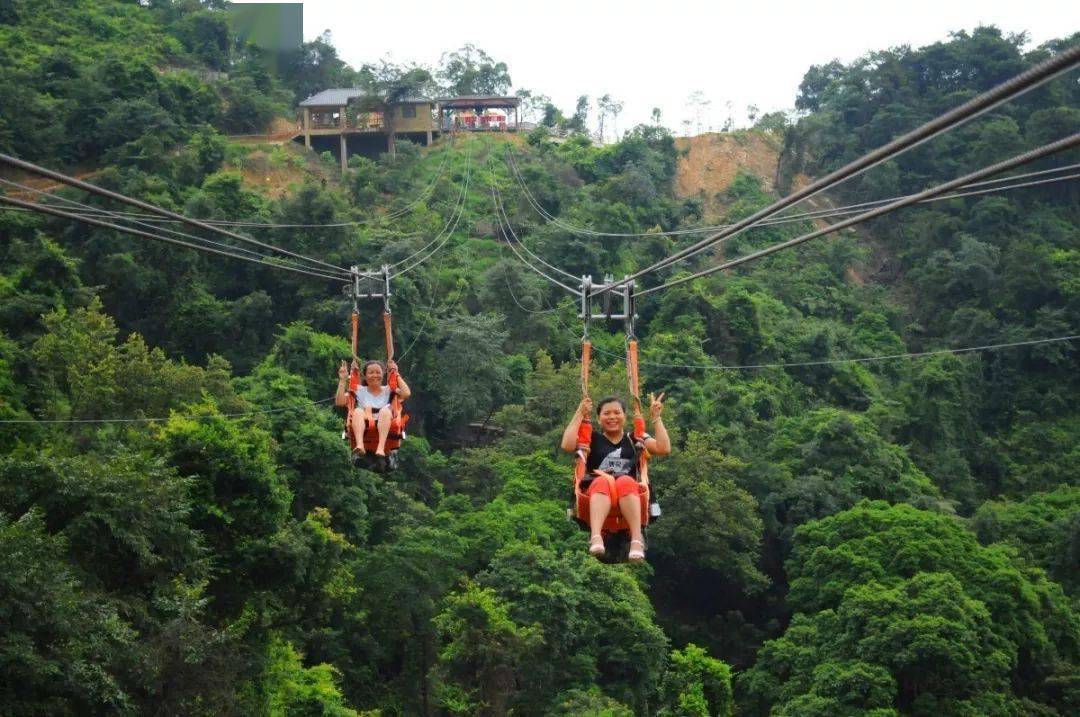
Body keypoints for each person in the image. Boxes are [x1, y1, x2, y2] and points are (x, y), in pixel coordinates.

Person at [560, 393, 671, 562]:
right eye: (606, 413)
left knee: (626, 481)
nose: (612, 417)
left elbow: (663, 448)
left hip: (628, 492)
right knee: (603, 480)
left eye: (617, 413)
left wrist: (656, 418)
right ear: (598, 419)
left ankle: (636, 540)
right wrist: (580, 413)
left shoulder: (635, 438)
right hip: (598, 490)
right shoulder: (591, 438)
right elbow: (567, 445)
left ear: (624, 416)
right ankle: (596, 536)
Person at [336, 359, 412, 461]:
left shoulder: (389, 389)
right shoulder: (358, 390)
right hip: (364, 420)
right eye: (371, 373)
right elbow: (340, 402)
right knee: (358, 411)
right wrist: (343, 380)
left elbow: (406, 393)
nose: (375, 375)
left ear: (383, 374)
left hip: (385, 419)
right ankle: (360, 445)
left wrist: (395, 373)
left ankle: (380, 448)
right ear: (365, 376)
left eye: (378, 372)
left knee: (385, 411)